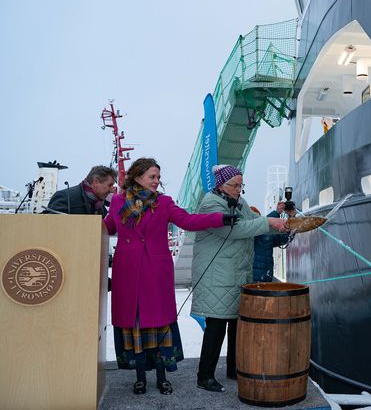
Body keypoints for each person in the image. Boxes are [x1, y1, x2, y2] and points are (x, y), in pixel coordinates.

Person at [103, 157, 237, 396]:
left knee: (158, 325)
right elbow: (107, 228)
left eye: (157, 177)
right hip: (128, 272)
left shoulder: (164, 203)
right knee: (135, 326)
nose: (156, 181)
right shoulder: (117, 203)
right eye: (152, 177)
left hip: (155, 272)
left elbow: (188, 220)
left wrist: (220, 218)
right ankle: (140, 378)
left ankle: (163, 378)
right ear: (137, 177)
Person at [191, 164, 288, 393]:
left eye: (240, 185)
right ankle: (204, 376)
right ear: (220, 185)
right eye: (233, 185)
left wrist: (281, 225)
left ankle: (234, 368)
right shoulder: (210, 205)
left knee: (236, 323)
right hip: (217, 276)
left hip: (236, 274)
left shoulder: (240, 202)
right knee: (216, 326)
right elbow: (235, 230)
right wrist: (268, 222)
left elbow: (255, 221)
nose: (237, 190)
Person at [44, 165, 117, 216]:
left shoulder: (100, 206)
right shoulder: (66, 198)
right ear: (96, 182)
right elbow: (46, 224)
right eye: (110, 185)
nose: (112, 189)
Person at [252, 201, 296, 283]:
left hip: (266, 278)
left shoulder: (266, 236)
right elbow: (257, 228)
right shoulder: (248, 235)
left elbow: (285, 239)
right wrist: (276, 213)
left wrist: (291, 217)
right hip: (251, 280)